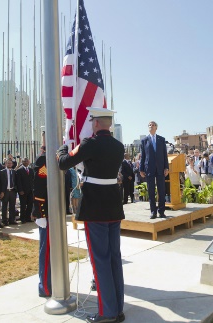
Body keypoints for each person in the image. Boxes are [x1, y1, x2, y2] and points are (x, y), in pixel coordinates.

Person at [57, 107, 125, 323]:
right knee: (114, 258)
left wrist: (61, 149)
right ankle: (118, 308)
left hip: (95, 207)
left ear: (96, 123)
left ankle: (107, 312)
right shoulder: (119, 146)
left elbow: (64, 163)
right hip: (113, 206)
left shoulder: (90, 144)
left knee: (100, 260)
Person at [139, 121, 169, 219]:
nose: (151, 126)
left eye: (153, 125)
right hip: (149, 169)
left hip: (160, 168)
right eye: (149, 125)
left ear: (156, 127)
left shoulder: (161, 139)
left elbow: (165, 155)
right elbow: (143, 156)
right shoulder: (144, 140)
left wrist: (166, 167)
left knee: (161, 190)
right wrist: (141, 169)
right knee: (151, 191)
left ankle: (161, 211)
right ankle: (153, 212)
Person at [33, 145, 51, 298]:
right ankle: (45, 286)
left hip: (54, 212)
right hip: (46, 213)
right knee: (46, 252)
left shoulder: (54, 158)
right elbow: (39, 190)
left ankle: (53, 283)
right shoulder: (43, 160)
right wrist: (41, 214)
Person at [15, 157, 34, 224]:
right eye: (24, 161)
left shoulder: (31, 170)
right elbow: (18, 182)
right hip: (23, 191)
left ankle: (28, 217)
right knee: (23, 205)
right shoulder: (19, 170)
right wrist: (20, 190)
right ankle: (22, 218)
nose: (26, 162)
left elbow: (32, 180)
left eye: (27, 161)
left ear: (29, 162)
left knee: (30, 204)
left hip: (30, 191)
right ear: (22, 162)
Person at [0, 159, 18, 225]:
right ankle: (4, 221)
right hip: (5, 191)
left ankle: (12, 220)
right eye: (8, 163)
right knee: (4, 206)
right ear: (6, 164)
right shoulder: (2, 172)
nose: (9, 164)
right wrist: (2, 192)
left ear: (12, 164)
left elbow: (16, 181)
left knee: (12, 206)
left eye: (10, 163)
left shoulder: (14, 172)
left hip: (12, 191)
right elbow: (0, 183)